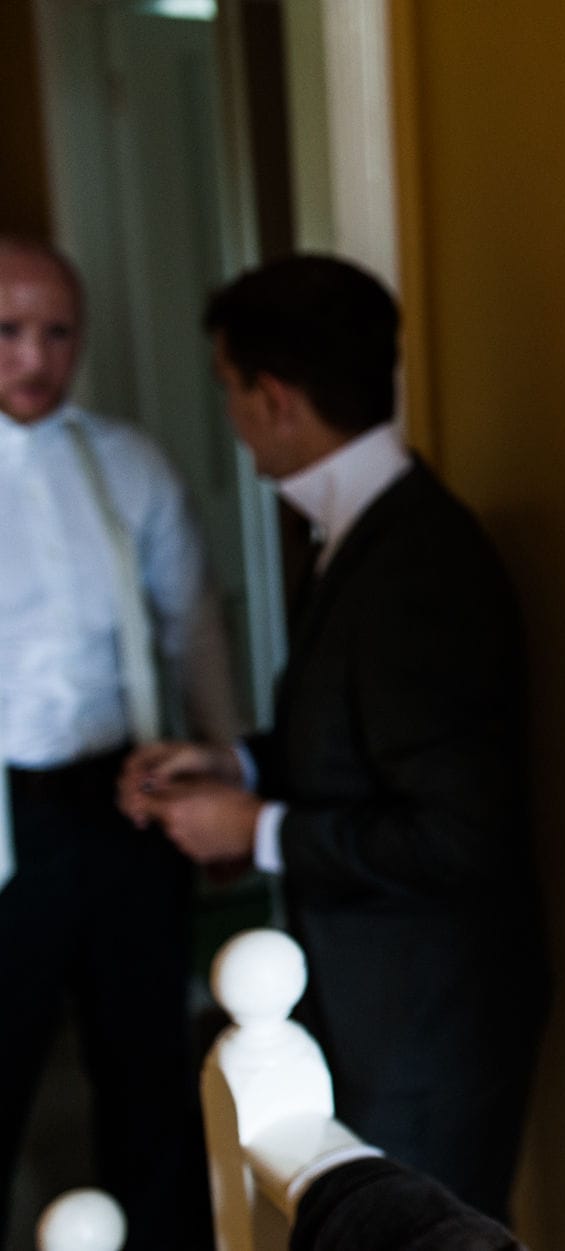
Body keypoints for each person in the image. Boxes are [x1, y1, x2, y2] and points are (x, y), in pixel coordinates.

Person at [119, 254, 550, 1220]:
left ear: (274, 398)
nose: (231, 415)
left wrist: (255, 828)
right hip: (367, 1004)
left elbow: (454, 837)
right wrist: (230, 764)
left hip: (430, 1027)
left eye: (228, 387)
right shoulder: (358, 531)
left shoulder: (420, 564)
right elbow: (358, 740)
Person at [0, 237, 240, 1247]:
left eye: (58, 332)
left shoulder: (129, 463)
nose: (35, 357)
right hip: (6, 812)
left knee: (146, 1062)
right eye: (8, 330)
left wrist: (226, 764)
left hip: (125, 795)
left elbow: (192, 627)